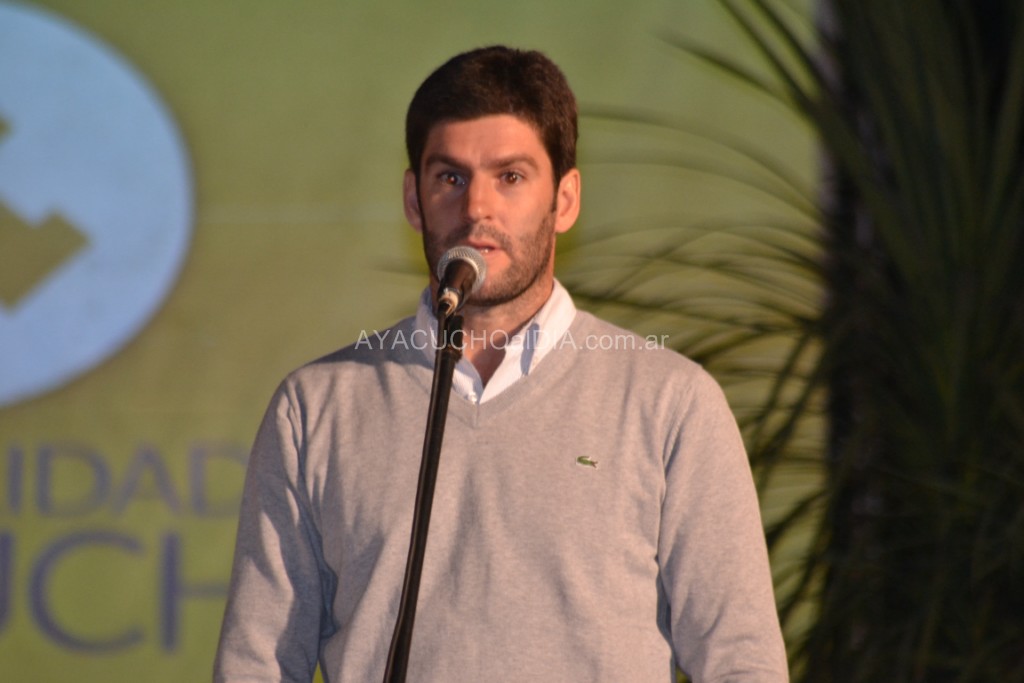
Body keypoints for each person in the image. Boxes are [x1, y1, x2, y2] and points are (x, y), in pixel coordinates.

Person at [214, 45, 788, 682]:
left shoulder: (670, 402)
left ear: (565, 200)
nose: (476, 209)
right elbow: (256, 666)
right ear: (413, 199)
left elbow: (742, 663)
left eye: (510, 177)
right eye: (450, 178)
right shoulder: (317, 407)